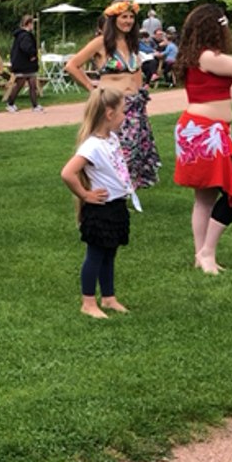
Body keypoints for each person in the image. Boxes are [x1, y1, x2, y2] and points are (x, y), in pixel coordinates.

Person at [172, 4, 232, 275]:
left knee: (205, 197)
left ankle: (201, 255)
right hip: (205, 131)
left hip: (205, 129)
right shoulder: (208, 56)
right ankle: (207, 252)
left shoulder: (196, 55)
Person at [60, 88, 140, 319]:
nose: (125, 117)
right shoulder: (92, 145)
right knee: (95, 255)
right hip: (100, 209)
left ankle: (108, 297)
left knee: (109, 253)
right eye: (123, 112)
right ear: (109, 113)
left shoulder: (111, 138)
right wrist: (85, 195)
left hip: (116, 205)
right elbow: (68, 173)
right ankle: (88, 302)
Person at [64, 0, 161, 189]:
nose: (128, 21)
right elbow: (72, 65)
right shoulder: (101, 43)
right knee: (115, 149)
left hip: (133, 104)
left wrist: (141, 93)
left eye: (131, 17)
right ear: (114, 19)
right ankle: (112, 188)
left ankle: (126, 190)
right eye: (124, 17)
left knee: (134, 151)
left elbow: (137, 71)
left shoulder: (132, 44)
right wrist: (92, 89)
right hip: (111, 104)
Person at [5, 14, 42, 112]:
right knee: (21, 84)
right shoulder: (25, 35)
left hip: (25, 64)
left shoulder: (19, 35)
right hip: (25, 64)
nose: (32, 26)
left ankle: (35, 105)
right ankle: (10, 103)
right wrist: (32, 54)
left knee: (31, 84)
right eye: (32, 24)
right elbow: (26, 47)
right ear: (28, 24)